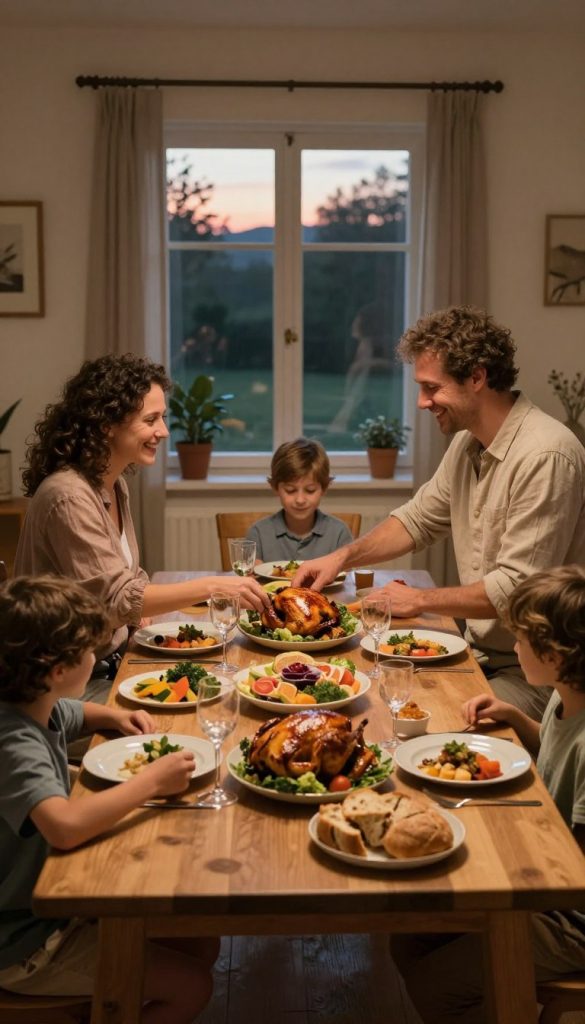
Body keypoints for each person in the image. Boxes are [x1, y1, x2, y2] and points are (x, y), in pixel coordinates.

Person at [294, 306, 585, 718]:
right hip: (486, 654)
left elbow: (515, 590)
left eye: (432, 388)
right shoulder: (468, 444)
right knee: (373, 694)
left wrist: (419, 599)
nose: (422, 402)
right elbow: (417, 519)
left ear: (477, 377)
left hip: (544, 677)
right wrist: (340, 557)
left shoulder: (546, 454)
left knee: (419, 718)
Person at [0, 575, 218, 1022]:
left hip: (52, 904)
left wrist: (119, 716)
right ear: (58, 670)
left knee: (202, 937)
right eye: (89, 653)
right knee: (192, 987)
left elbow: (77, 712)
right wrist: (151, 782)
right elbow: (63, 827)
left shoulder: (32, 701)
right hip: (25, 939)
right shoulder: (13, 742)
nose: (95, 659)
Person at [392, 564, 585, 1024]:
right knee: (408, 935)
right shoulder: (566, 695)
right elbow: (555, 745)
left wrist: (502, 846)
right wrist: (516, 719)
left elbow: (575, 866)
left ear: (555, 655)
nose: (513, 648)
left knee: (437, 988)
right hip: (553, 884)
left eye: (520, 640)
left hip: (572, 917)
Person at [15, 353, 268, 701]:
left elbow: (121, 583)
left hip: (110, 661)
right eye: (151, 419)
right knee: (211, 710)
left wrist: (136, 620)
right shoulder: (69, 496)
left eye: (162, 418)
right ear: (107, 424)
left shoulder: (113, 484)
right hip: (63, 690)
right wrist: (215, 585)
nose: (163, 431)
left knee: (230, 684)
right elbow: (118, 599)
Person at [246, 437, 353, 562]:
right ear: (275, 488)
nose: (300, 500)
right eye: (290, 490)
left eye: (310, 490)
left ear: (324, 488)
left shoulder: (339, 533)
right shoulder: (258, 533)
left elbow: (347, 578)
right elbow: (249, 578)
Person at [329, 302, 395, 434]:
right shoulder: (364, 345)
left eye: (357, 322)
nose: (353, 325)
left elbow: (360, 370)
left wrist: (363, 365)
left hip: (361, 389)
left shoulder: (367, 345)